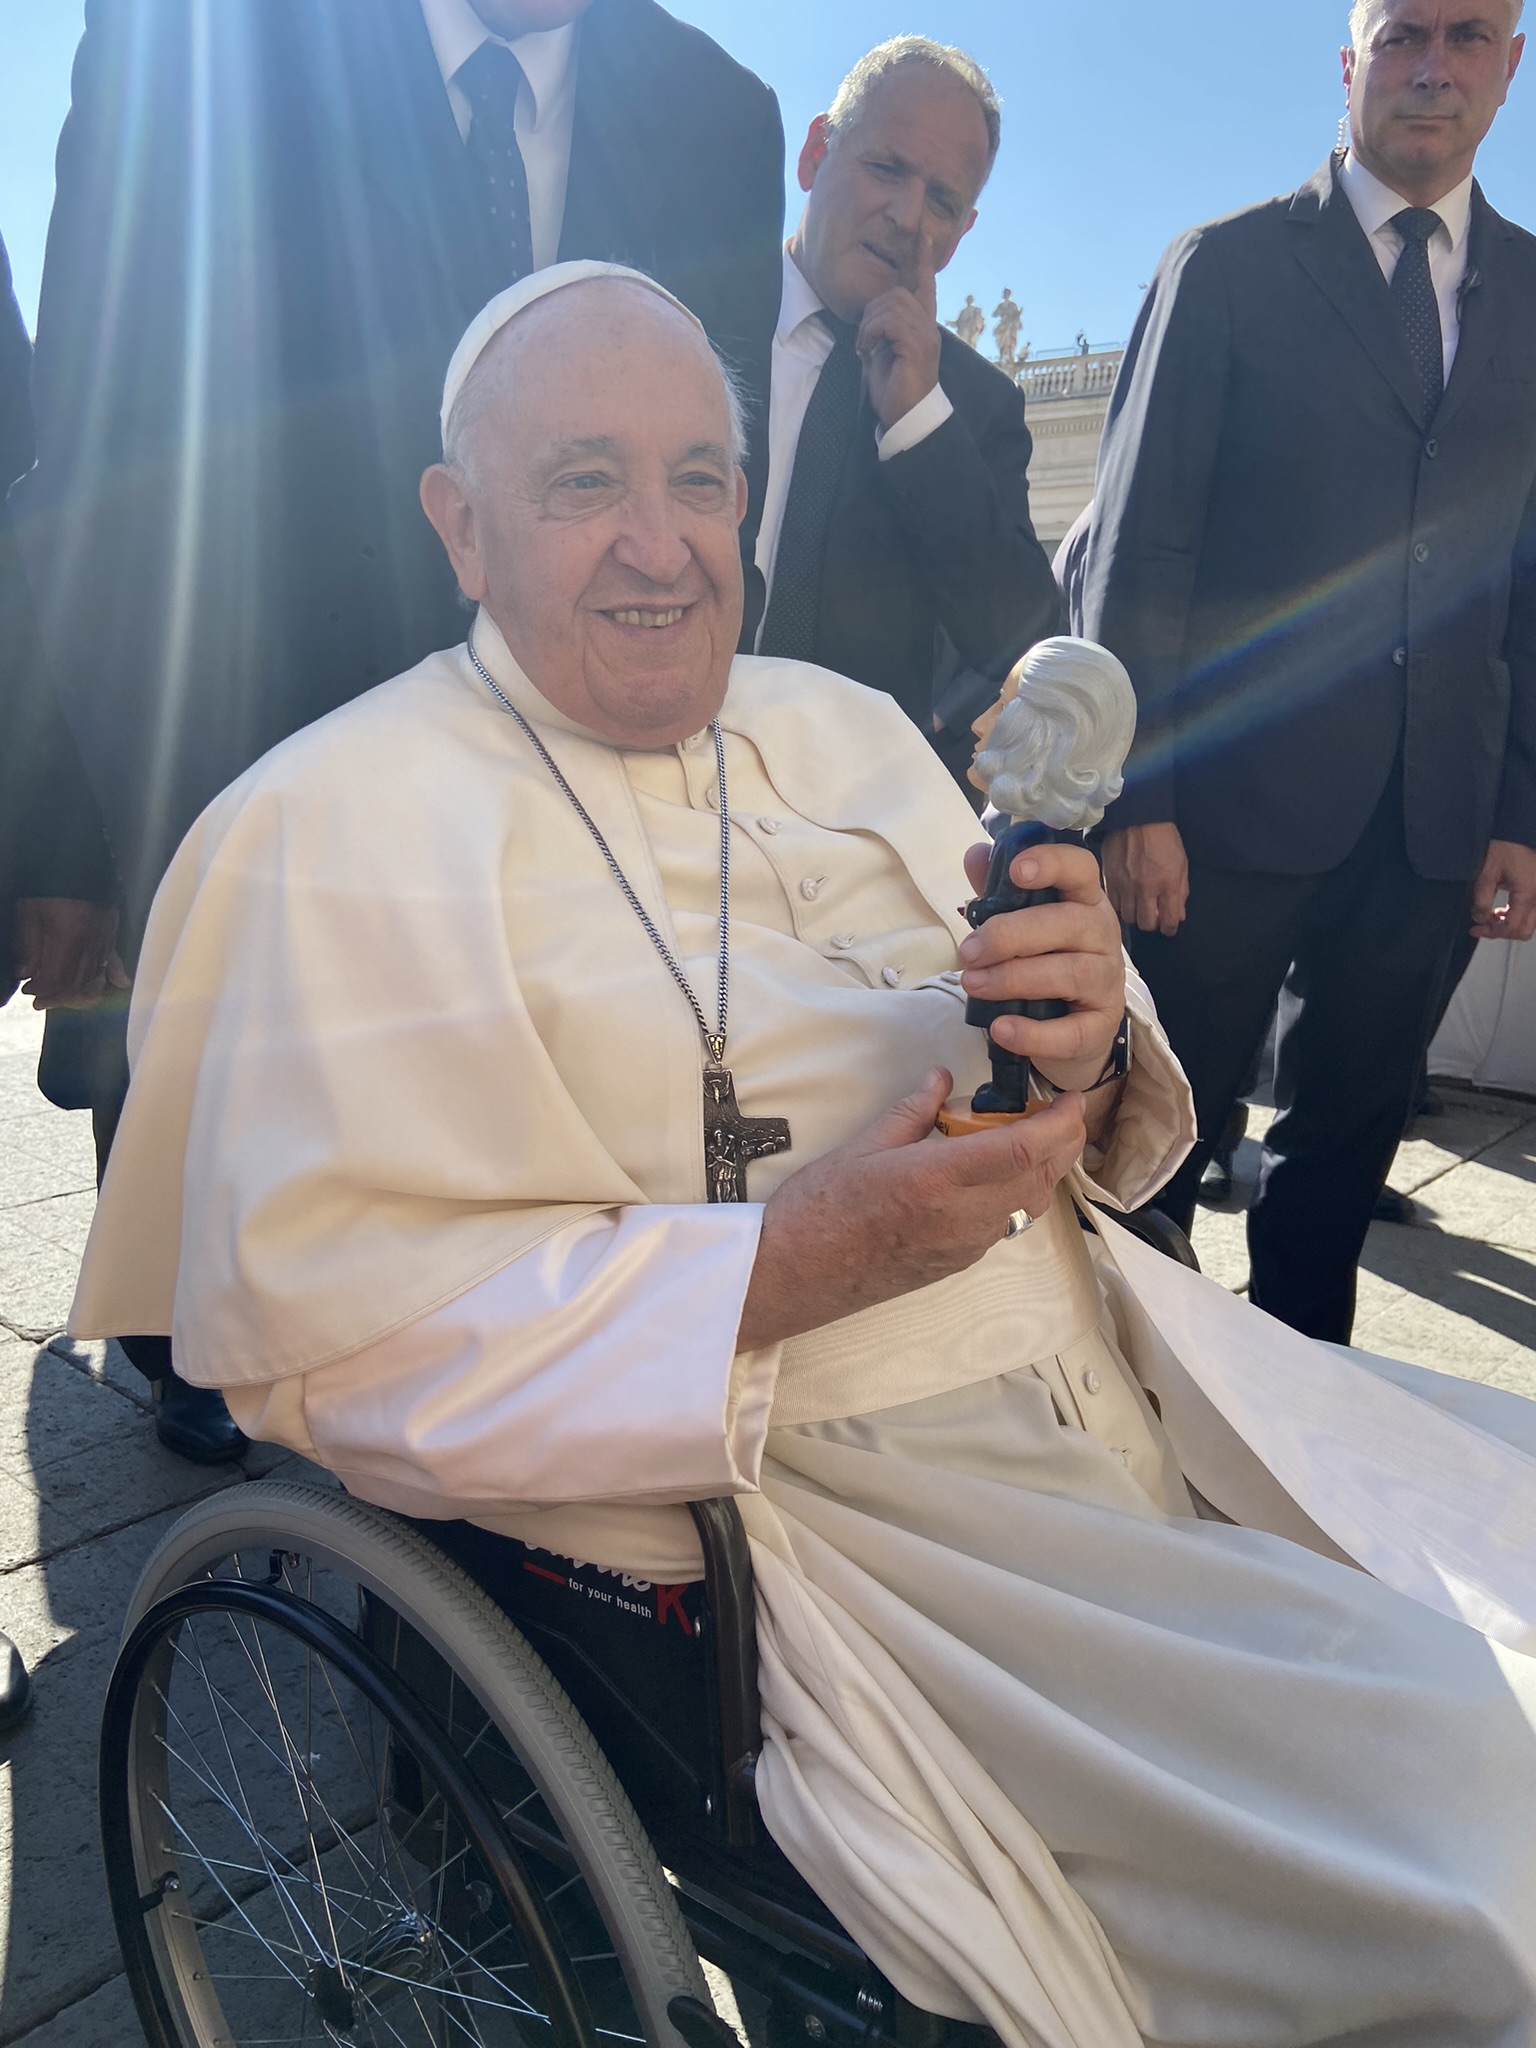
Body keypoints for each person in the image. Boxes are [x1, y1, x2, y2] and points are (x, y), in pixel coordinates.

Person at [71, 261, 1536, 2047]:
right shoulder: (315, 826)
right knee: (1464, 1846)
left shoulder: (840, 721)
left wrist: (1083, 1035)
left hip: (1129, 1381)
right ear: (461, 525)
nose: (661, 546)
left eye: (700, 479)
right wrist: (778, 1265)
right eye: (585, 482)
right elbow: (343, 1346)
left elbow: (1073, 1105)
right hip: (839, 1506)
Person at [6, 0, 783, 1457]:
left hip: (578, 851)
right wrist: (79, 840)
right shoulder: (201, 39)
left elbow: (705, 505)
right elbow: (95, 468)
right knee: (279, 1342)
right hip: (261, 806)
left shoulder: (718, 114)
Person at [1082, 0, 1536, 1341]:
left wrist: (1520, 807)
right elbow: (1140, 546)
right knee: (1158, 1143)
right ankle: (1134, 1398)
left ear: (1512, 64)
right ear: (1350, 63)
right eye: (1403, 36)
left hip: (1432, 819)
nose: (1433, 69)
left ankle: (1302, 1407)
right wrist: (1138, 793)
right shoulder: (1224, 268)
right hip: (1221, 819)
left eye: (1468, 37)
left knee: (1343, 1156)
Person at [753, 40, 1058, 793]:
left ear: (961, 234)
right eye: (886, 168)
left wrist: (919, 423)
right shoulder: (677, 315)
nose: (907, 216)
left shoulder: (976, 407)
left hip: (843, 820)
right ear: (816, 153)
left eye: (942, 201)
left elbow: (1023, 646)